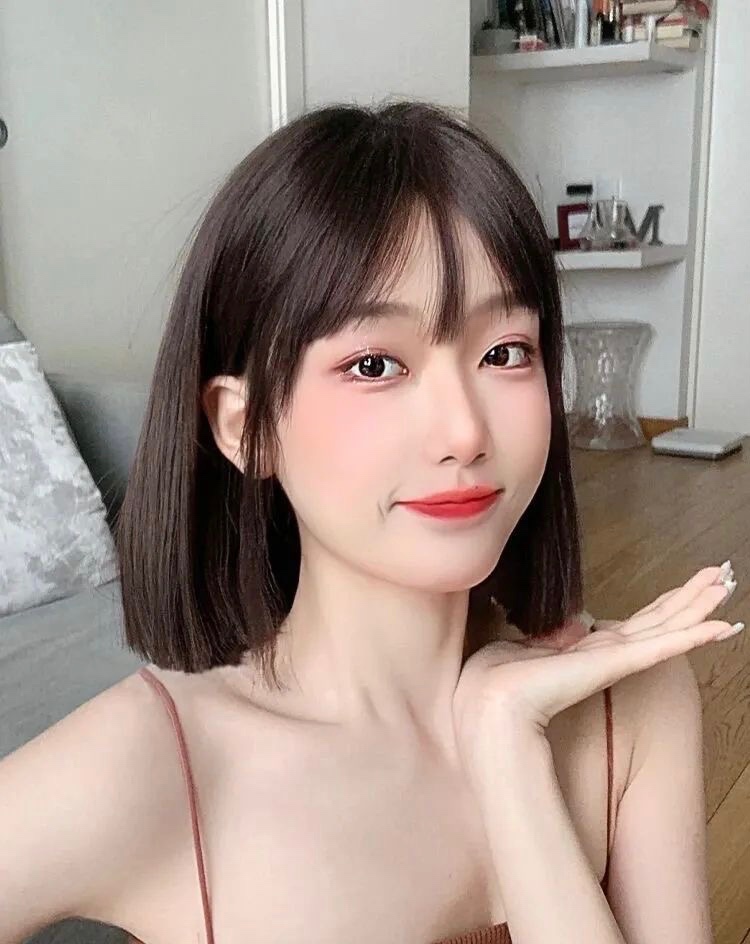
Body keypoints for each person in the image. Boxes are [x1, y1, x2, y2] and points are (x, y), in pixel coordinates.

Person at [1, 100, 735, 944]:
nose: (464, 431)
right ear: (246, 428)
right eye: (375, 364)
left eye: (504, 352)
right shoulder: (154, 765)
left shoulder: (630, 702)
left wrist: (506, 745)